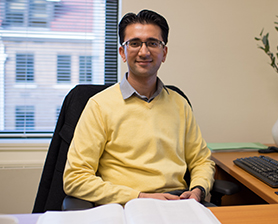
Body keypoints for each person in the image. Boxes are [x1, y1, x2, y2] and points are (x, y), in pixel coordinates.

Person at [63, 9, 215, 206]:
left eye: (153, 43)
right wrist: (140, 197)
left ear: (164, 52)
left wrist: (198, 189)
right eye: (134, 43)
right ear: (122, 53)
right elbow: (75, 178)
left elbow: (202, 161)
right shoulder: (99, 106)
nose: (144, 52)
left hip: (176, 203)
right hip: (125, 204)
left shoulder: (179, 104)